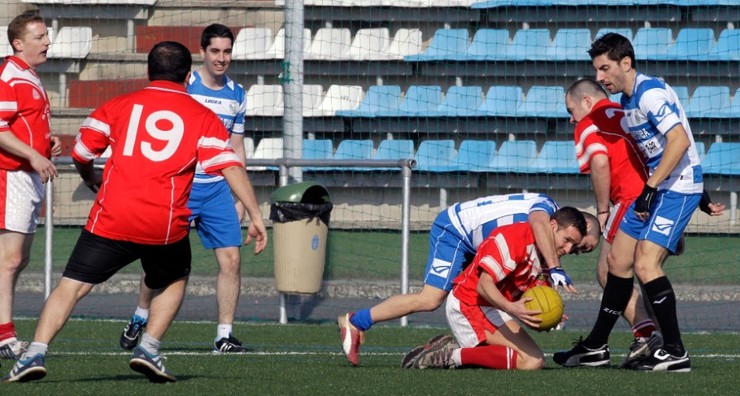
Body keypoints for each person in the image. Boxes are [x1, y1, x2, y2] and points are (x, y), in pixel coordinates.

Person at [3, 41, 267, 383]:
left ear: (148, 72)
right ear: (188, 78)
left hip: (112, 216)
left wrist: (90, 178)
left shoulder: (119, 105)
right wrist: (256, 214)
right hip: (164, 222)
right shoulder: (203, 117)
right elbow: (230, 166)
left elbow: (82, 152)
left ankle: (34, 353)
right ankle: (149, 347)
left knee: (72, 285)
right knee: (175, 277)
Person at [554, 33, 720, 372]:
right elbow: (661, 149)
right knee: (617, 262)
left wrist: (655, 188)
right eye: (596, 71)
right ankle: (595, 346)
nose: (600, 78)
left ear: (625, 63)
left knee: (646, 265)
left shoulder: (649, 94)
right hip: (662, 187)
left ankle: (675, 352)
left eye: (604, 69)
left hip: (672, 189)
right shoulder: (628, 104)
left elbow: (679, 140)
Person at [338, 193, 601, 366]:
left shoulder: (551, 235)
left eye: (578, 249)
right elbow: (538, 222)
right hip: (457, 230)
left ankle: (454, 348)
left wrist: (544, 304)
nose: (574, 251)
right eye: (580, 245)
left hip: (482, 242)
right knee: (431, 299)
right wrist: (555, 268)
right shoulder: (545, 212)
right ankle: (356, 321)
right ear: (581, 225)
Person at [119, 24, 251, 354]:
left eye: (227, 52)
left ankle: (223, 335)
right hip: (181, 187)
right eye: (215, 52)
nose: (222, 59)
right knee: (161, 264)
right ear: (202, 53)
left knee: (231, 260)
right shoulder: (184, 86)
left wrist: (241, 197)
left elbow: (236, 147)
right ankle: (140, 314)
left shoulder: (237, 94)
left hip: (217, 189)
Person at [403, 207, 588, 370]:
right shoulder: (515, 237)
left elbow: (533, 296)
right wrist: (512, 308)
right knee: (532, 361)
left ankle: (453, 351)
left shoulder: (547, 257)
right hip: (469, 303)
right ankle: (449, 356)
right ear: (553, 226)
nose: (568, 248)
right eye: (567, 240)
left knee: (526, 359)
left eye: (574, 245)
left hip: (494, 309)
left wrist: (548, 314)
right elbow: (483, 285)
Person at [564, 78, 661, 367]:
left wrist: (603, 210)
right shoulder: (627, 114)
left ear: (587, 101)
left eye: (571, 109)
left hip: (630, 199)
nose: (571, 118)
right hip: (658, 195)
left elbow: (600, 162)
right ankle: (664, 342)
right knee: (648, 273)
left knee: (608, 272)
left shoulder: (589, 121)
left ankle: (646, 337)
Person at [0, 11, 61, 361]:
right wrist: (34, 156)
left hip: (28, 175)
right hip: (12, 174)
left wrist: (45, 145)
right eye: (39, 37)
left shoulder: (29, 75)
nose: (47, 42)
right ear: (18, 43)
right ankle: (5, 336)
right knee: (9, 261)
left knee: (17, 260)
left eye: (46, 35)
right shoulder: (9, 75)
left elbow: (23, 125)